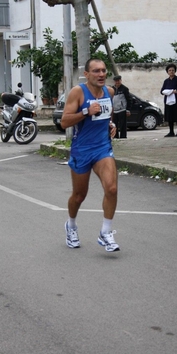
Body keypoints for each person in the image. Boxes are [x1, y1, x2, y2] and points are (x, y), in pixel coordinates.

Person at [60, 58, 120, 252]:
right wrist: (86, 110)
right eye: (96, 71)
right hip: (82, 149)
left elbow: (107, 114)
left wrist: (111, 125)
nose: (101, 74)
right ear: (87, 74)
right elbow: (64, 122)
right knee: (79, 196)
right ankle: (71, 225)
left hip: (102, 148)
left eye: (103, 70)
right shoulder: (78, 92)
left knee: (111, 188)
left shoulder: (109, 92)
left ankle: (106, 232)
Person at [160, 64, 177, 137]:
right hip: (168, 100)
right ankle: (171, 132)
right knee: (169, 115)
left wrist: (174, 91)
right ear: (167, 72)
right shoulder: (166, 81)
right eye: (170, 70)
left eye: (173, 70)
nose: (171, 72)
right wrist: (167, 92)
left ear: (175, 71)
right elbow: (162, 91)